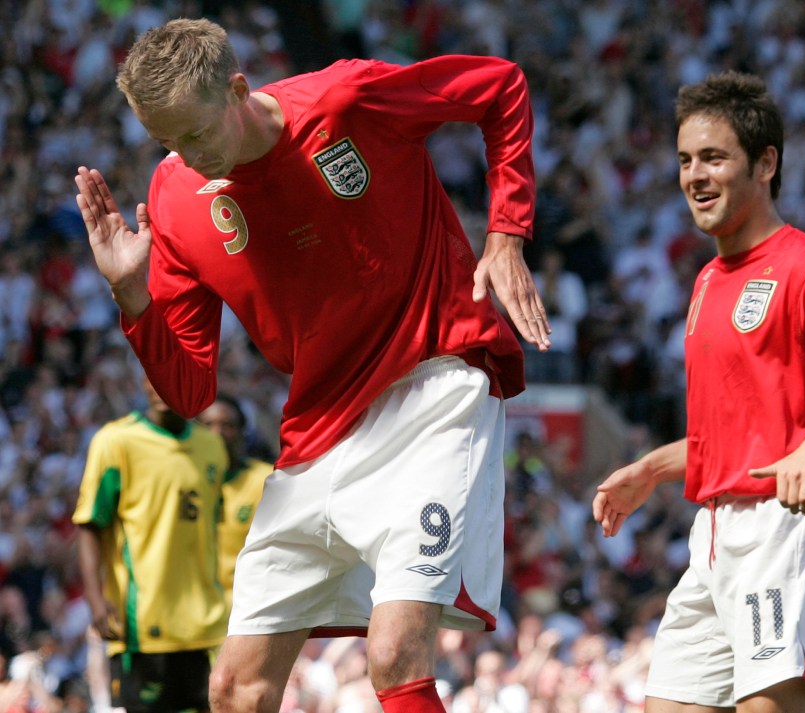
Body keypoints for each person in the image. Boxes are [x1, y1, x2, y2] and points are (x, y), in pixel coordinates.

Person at [73, 17, 551, 713]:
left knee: (393, 653)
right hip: (317, 426)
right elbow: (188, 390)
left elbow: (499, 87)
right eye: (167, 142)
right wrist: (133, 297)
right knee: (235, 686)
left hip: (434, 382)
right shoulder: (173, 199)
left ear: (238, 89)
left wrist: (506, 234)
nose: (186, 157)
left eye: (198, 135)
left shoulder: (343, 100)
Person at [592, 70, 805, 713]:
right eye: (685, 160)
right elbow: (733, 436)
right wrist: (651, 469)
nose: (695, 176)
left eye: (714, 157)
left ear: (765, 163)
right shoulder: (707, 281)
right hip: (713, 534)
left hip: (788, 530)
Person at [73, 376, 229, 713]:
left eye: (174, 372)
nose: (161, 383)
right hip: (142, 626)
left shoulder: (211, 447)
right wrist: (95, 599)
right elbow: (89, 524)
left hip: (206, 625)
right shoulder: (116, 441)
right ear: (142, 379)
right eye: (151, 373)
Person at [197, 393, 273, 611]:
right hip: (192, 609)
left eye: (227, 425)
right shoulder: (183, 481)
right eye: (207, 424)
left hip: (246, 609)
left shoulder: (265, 481)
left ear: (242, 433)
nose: (217, 433)